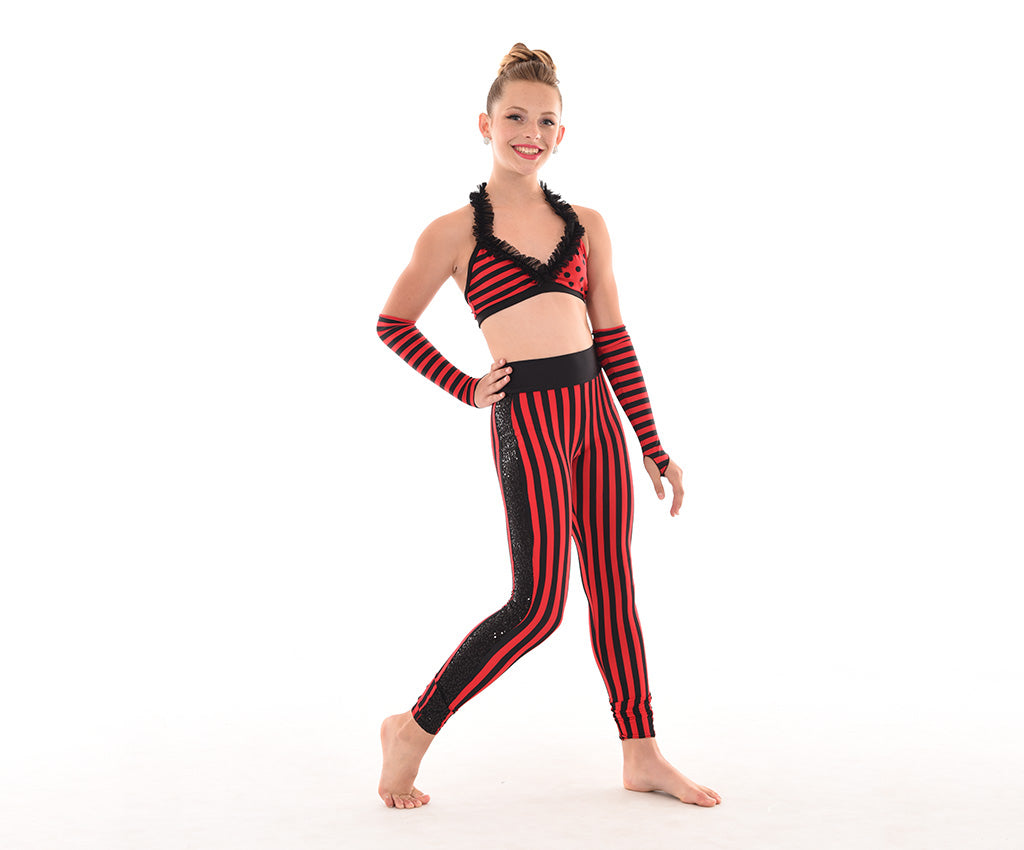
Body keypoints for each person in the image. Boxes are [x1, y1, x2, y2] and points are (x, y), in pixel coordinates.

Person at [375, 43, 721, 810]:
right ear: (485, 124)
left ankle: (641, 752)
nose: (529, 132)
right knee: (536, 607)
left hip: (594, 416)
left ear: (562, 134)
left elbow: (614, 338)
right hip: (527, 418)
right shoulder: (454, 233)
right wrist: (466, 387)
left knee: (613, 587)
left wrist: (651, 444)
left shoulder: (587, 225)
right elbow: (393, 323)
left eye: (545, 121)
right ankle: (413, 729)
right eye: (514, 117)